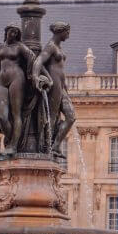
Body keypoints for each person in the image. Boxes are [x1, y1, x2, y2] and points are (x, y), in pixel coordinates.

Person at [0, 24, 36, 155]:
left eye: (16, 33)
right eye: (12, 32)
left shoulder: (20, 46)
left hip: (17, 79)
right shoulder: (1, 47)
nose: (14, 34)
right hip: (2, 81)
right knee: (2, 116)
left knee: (16, 113)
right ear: (6, 32)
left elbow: (32, 57)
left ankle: (13, 146)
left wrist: (29, 74)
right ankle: (11, 139)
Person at [32, 21, 76, 156]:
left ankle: (55, 145)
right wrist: (35, 76)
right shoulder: (50, 47)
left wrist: (65, 87)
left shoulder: (59, 48)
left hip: (61, 87)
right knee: (52, 116)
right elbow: (39, 61)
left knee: (71, 116)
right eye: (67, 32)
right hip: (54, 86)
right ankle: (47, 146)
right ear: (60, 31)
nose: (68, 35)